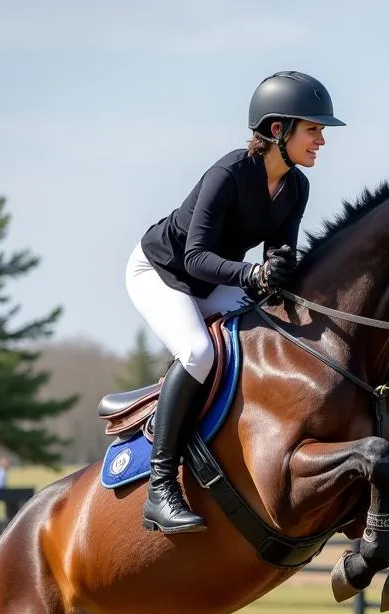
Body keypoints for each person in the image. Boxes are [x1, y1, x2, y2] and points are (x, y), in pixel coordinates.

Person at [125, 71, 345, 533]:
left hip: (214, 278)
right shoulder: (228, 174)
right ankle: (160, 489)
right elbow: (195, 256)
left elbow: (277, 260)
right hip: (163, 273)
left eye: (321, 131)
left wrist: (282, 277)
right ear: (276, 131)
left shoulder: (296, 187)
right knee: (198, 352)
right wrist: (252, 274)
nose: (321, 139)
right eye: (314, 129)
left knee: (270, 338)